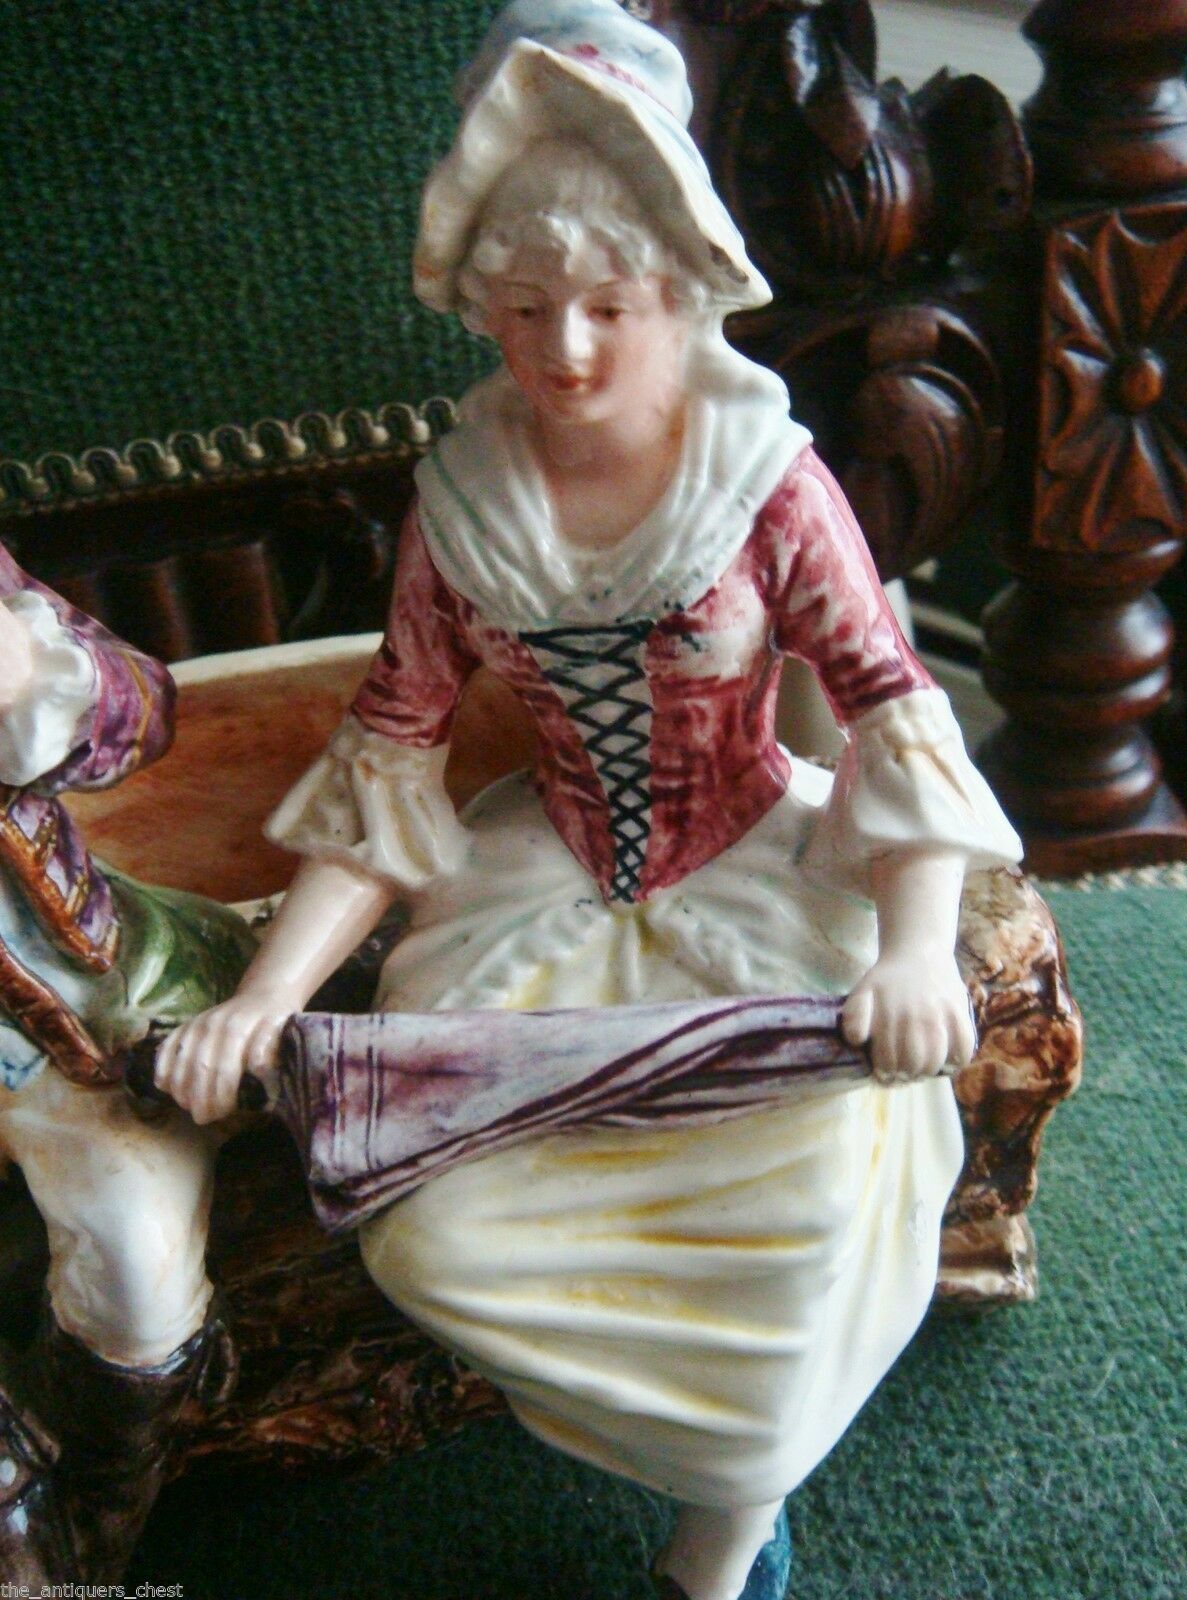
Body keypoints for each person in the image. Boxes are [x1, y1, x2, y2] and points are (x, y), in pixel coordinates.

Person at [159, 4, 1023, 1597]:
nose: (563, 351)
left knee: (820, 1192)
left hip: (754, 881)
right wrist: (268, 996)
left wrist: (913, 949)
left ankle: (729, 1524)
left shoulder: (767, 485)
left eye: (608, 308)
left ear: (680, 292)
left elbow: (893, 705)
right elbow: (392, 750)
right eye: (526, 310)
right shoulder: (461, 507)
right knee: (433, 1228)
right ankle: (685, 1448)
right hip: (536, 904)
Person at [0, 548, 256, 1583]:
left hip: (66, 1019)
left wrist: (29, 668)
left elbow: (146, 705)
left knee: (138, 1266)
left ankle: (93, 1524)